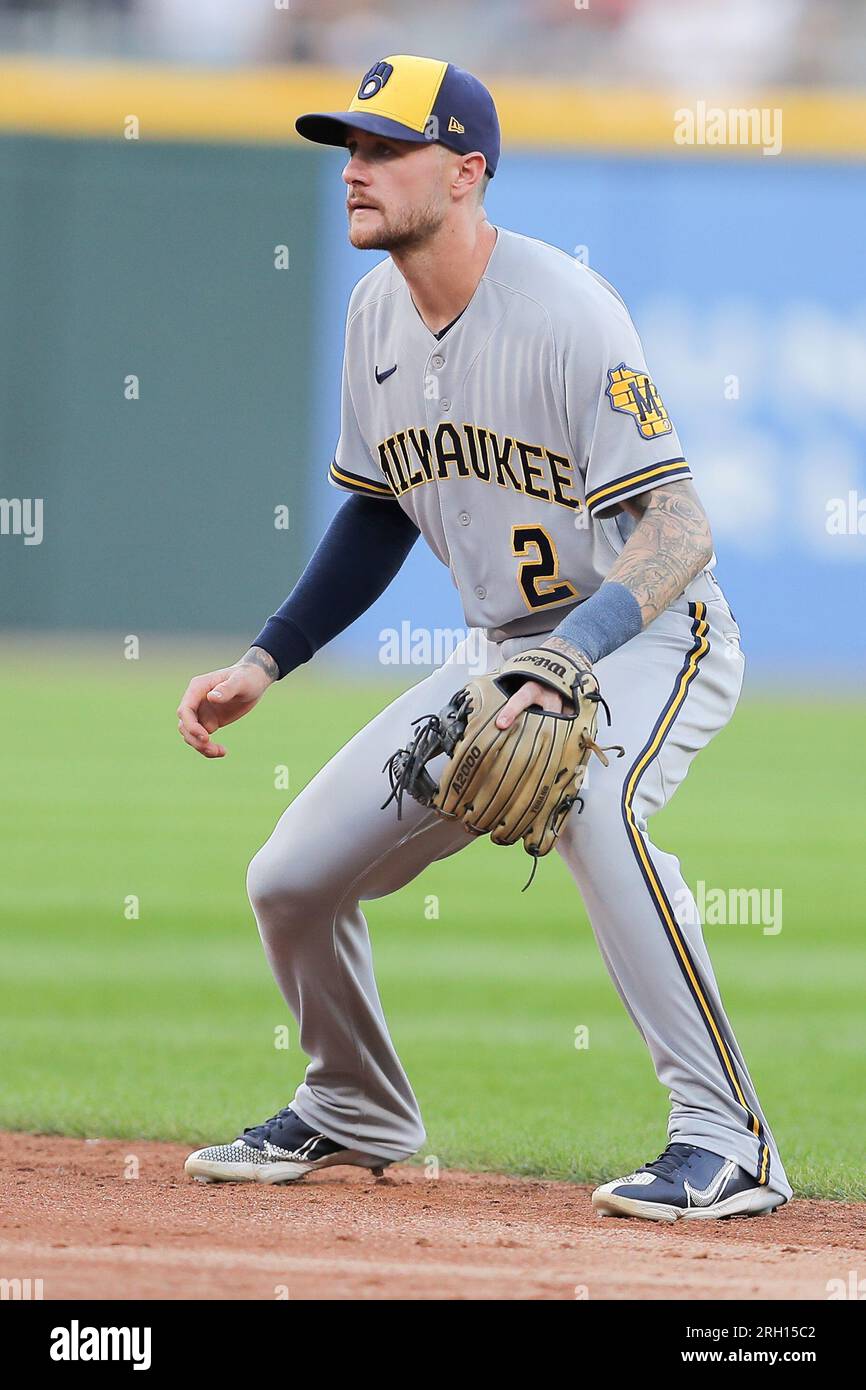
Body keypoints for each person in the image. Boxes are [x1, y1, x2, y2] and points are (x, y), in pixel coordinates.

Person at [177, 55, 791, 1222]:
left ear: (465, 173)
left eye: (382, 149)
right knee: (292, 879)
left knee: (594, 812)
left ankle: (727, 1138)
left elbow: (681, 525)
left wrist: (575, 655)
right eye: (347, 148)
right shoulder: (374, 314)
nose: (353, 171)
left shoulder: (566, 311)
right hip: (504, 650)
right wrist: (268, 657)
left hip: (646, 629)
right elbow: (374, 509)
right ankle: (353, 1106)